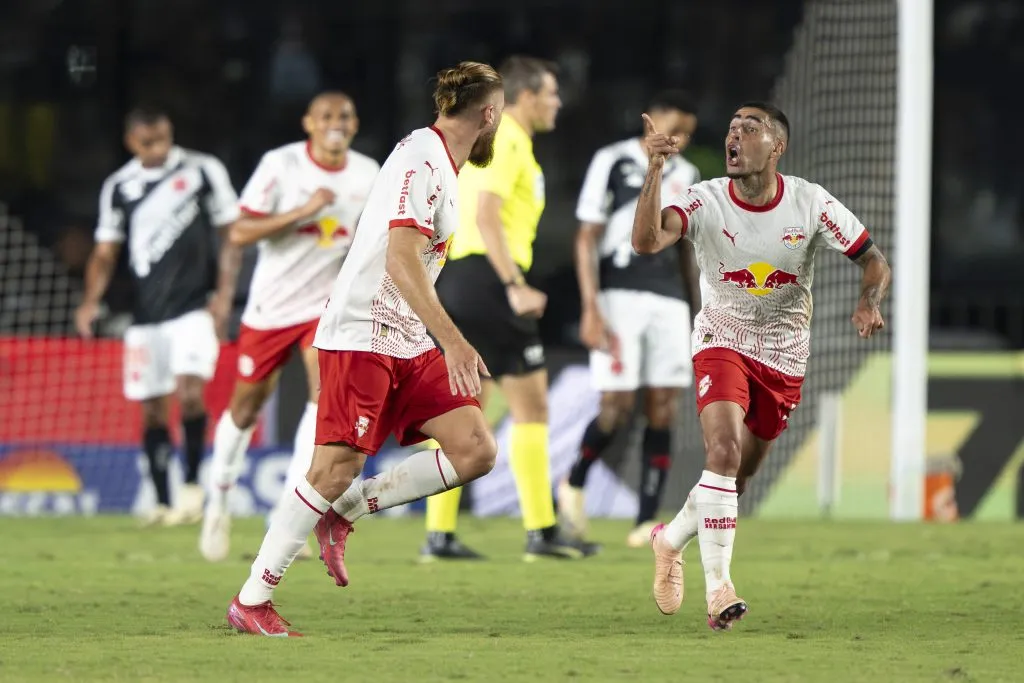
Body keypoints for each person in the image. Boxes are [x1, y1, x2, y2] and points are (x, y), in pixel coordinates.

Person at [226, 61, 506, 637]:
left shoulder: (445, 167)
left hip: (405, 336)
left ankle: (346, 513)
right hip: (362, 333)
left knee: (475, 448)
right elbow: (402, 259)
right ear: (490, 114)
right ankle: (252, 599)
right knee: (333, 467)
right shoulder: (419, 157)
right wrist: (452, 340)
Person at [633, 103, 891, 630]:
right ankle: (719, 589)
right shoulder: (704, 199)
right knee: (722, 453)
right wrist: (655, 171)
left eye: (750, 129)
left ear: (777, 148)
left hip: (782, 351)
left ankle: (669, 539)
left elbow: (873, 258)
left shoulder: (809, 202)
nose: (735, 135)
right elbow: (645, 242)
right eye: (731, 127)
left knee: (735, 479)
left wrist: (870, 300)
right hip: (721, 336)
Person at [419, 56, 596, 562]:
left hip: (464, 281)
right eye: (551, 93)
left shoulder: (498, 142)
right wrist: (515, 284)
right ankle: (541, 531)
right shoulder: (510, 140)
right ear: (525, 97)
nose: (557, 102)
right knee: (532, 407)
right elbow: (486, 215)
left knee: (465, 409)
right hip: (490, 282)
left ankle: (439, 534)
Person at [198, 92, 379, 562]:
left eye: (344, 116)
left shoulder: (368, 173)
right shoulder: (281, 165)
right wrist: (303, 211)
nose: (335, 124)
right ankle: (217, 500)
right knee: (245, 406)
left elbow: (371, 237)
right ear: (309, 123)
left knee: (323, 401)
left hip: (324, 308)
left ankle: (288, 513)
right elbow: (239, 232)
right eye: (326, 117)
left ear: (355, 124)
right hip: (271, 308)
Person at [75, 107, 241, 526]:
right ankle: (163, 501)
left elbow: (231, 236)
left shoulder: (203, 170)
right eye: (148, 143)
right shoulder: (120, 187)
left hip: (194, 308)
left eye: (164, 138)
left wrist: (223, 296)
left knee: (189, 394)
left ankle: (190, 488)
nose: (159, 148)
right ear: (132, 143)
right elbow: (105, 251)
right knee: (151, 410)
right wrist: (90, 301)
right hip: (145, 316)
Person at [559, 90, 702, 549]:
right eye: (675, 128)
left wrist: (699, 310)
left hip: (669, 300)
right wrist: (590, 305)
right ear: (653, 120)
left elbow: (687, 248)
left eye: (687, 134)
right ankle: (574, 480)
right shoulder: (613, 160)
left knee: (664, 406)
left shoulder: (689, 174)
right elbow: (586, 237)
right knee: (616, 408)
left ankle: (645, 520)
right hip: (617, 295)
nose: (679, 139)